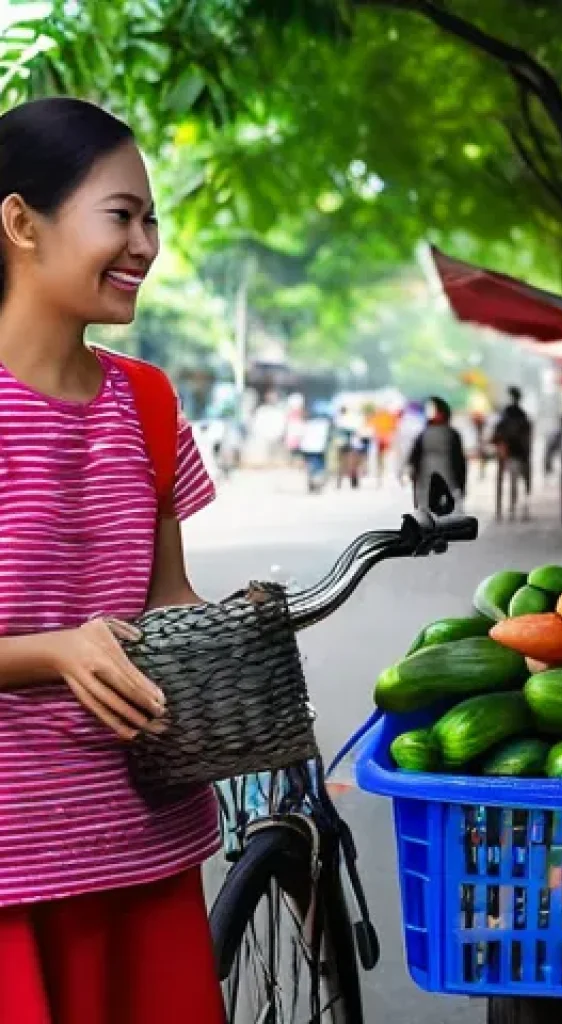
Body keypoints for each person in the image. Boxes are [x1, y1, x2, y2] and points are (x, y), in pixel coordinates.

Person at [0, 99, 223, 1021]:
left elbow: (168, 599)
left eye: (151, 220)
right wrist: (54, 652)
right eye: (120, 215)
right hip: (12, 865)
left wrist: (234, 645)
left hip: (144, 842)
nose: (145, 244)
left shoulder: (148, 401)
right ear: (21, 223)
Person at [408, 396, 467, 512]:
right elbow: (415, 455)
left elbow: (459, 460)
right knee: (427, 507)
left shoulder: (450, 434)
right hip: (426, 477)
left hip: (446, 476)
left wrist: (461, 484)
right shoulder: (426, 432)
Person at [491, 385, 533, 521]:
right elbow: (527, 438)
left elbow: (496, 434)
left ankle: (500, 510)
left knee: (501, 482)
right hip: (518, 453)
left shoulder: (505, 415)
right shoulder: (523, 416)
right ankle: (512, 509)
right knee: (514, 483)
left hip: (505, 452)